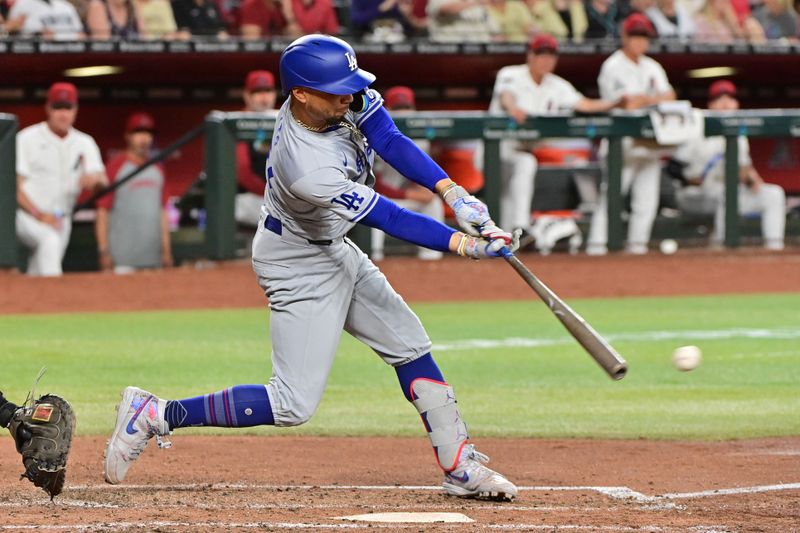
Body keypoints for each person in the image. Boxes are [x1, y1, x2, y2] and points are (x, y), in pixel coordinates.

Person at [104, 34, 520, 502]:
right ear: (300, 93)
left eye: (350, 85)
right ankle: (155, 413)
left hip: (331, 245)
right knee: (291, 403)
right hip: (295, 261)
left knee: (410, 345)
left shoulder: (335, 99)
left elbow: (388, 136)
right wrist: (464, 244)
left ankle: (458, 465)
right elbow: (386, 213)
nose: (349, 95)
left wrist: (453, 193)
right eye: (336, 88)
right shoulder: (304, 165)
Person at [489, 34, 619, 242]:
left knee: (509, 195)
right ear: (530, 55)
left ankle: (507, 241)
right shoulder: (511, 74)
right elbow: (507, 96)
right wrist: (512, 108)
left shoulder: (558, 85)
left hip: (522, 150)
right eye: (541, 54)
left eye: (550, 55)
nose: (546, 59)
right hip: (495, 151)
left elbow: (584, 104)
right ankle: (521, 228)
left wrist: (615, 103)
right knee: (524, 166)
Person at [586, 14, 676, 255]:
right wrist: (652, 99)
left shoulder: (652, 66)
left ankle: (637, 248)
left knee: (646, 201)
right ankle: (597, 246)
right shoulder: (613, 66)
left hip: (649, 142)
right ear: (625, 36)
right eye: (636, 35)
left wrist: (646, 98)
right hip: (621, 142)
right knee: (612, 197)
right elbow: (627, 104)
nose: (640, 41)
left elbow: (671, 96)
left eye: (644, 36)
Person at [673, 81, 786, 250]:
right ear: (710, 105)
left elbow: (744, 171)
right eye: (719, 99)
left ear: (737, 104)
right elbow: (671, 167)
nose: (726, 104)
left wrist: (752, 180)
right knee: (727, 194)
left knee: (773, 194)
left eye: (730, 99)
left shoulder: (740, 136)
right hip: (693, 194)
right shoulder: (697, 129)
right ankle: (721, 247)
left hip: (726, 193)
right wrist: (687, 180)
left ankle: (775, 246)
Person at [16, 83, 107, 277]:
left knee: (41, 266)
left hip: (62, 218)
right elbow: (13, 187)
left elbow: (103, 183)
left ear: (75, 110)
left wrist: (96, 181)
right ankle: (56, 301)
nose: (63, 114)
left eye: (68, 108)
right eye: (58, 108)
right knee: (49, 244)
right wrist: (39, 215)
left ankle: (30, 305)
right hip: (28, 215)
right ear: (48, 108)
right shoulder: (27, 138)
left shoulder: (85, 142)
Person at [371, 86, 445, 261]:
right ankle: (374, 257)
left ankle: (431, 258)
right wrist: (409, 193)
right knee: (373, 207)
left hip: (404, 197)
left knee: (433, 203)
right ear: (387, 110)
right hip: (381, 197)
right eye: (398, 109)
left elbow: (421, 174)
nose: (404, 112)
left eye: (407, 107)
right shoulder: (374, 135)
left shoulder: (420, 138)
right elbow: (373, 183)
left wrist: (423, 189)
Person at [95, 112, 174, 272]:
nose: (144, 139)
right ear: (128, 136)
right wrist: (103, 251)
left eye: (148, 133)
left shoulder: (158, 168)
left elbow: (162, 213)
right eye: (138, 133)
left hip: (153, 259)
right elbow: (102, 211)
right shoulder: (115, 166)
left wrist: (167, 251)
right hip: (122, 260)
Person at [236, 70, 278, 227]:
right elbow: (242, 171)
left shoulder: (284, 119)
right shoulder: (238, 122)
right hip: (250, 198)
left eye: (268, 91)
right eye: (257, 92)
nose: (264, 97)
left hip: (281, 198)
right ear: (246, 95)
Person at [7, 0, 86, 39]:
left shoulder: (66, 6)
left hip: (71, 54)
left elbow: (81, 36)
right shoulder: (22, 5)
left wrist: (56, 36)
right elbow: (19, 39)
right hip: (39, 57)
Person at [427, 0, 498, 41]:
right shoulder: (478, 2)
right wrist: (477, 2)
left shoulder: (481, 5)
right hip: (448, 49)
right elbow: (443, 10)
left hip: (480, 50)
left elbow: (494, 31)